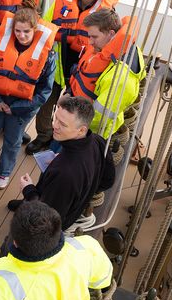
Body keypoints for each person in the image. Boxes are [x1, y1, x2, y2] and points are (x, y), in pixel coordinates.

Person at [29, 0, 124, 154]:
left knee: (72, 112)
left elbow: (109, 44)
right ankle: (44, 136)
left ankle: (65, 144)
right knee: (47, 102)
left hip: (83, 70)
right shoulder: (62, 0)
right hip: (57, 63)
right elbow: (46, 28)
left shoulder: (106, 14)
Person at [0, 0, 57, 189]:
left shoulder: (47, 56)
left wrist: (16, 108)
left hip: (21, 108)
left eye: (26, 31)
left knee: (12, 142)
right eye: (18, 31)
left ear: (35, 30)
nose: (22, 35)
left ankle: (4, 172)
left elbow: (44, 91)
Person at [12, 96, 115, 232]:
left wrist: (29, 190)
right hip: (71, 205)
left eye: (63, 124)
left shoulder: (65, 173)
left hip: (56, 222)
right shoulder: (97, 141)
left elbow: (45, 219)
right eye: (56, 118)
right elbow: (108, 180)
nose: (54, 125)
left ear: (81, 130)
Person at [68, 10, 146, 137]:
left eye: (94, 37)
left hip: (88, 132)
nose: (90, 42)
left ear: (111, 34)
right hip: (76, 112)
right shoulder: (115, 50)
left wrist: (72, 126)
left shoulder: (121, 80)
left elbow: (98, 118)